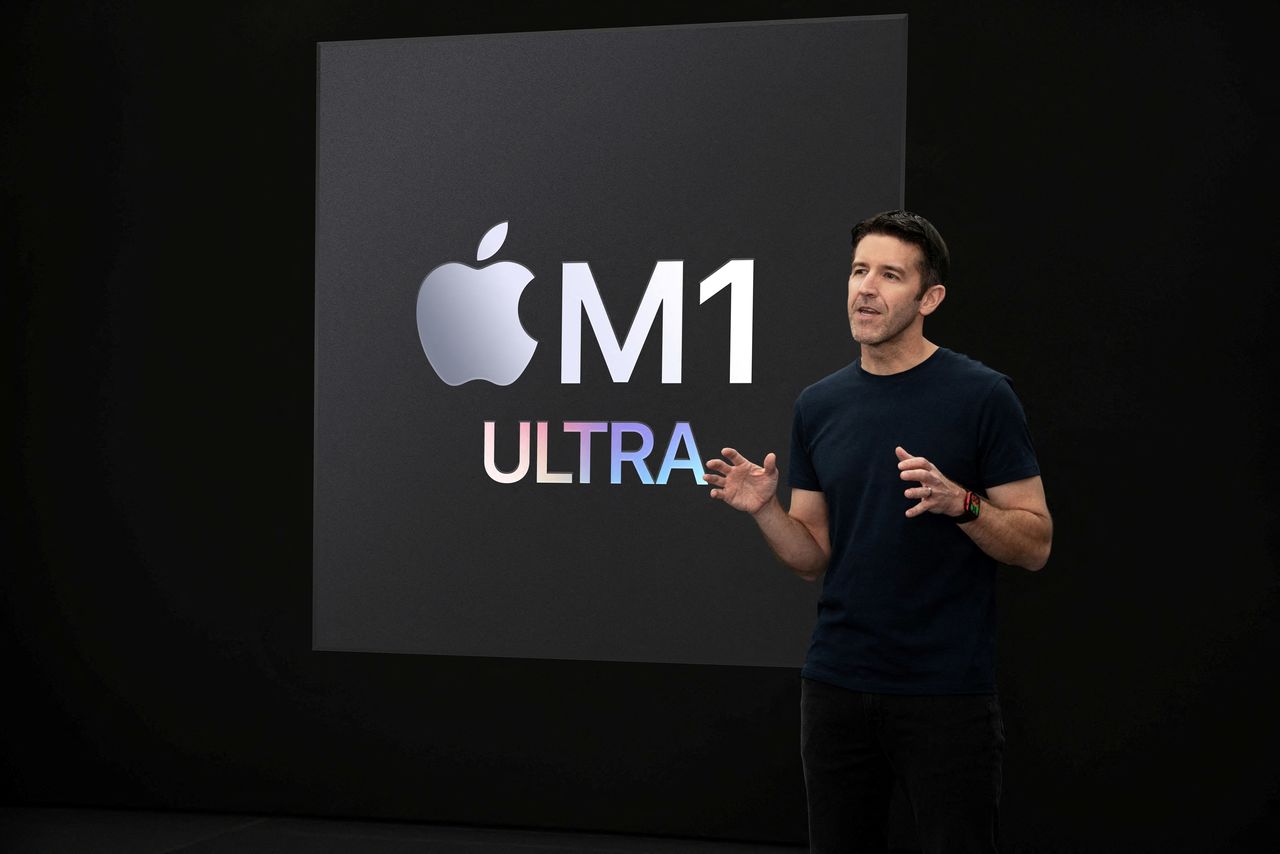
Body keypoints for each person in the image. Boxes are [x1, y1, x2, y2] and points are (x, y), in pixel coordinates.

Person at [704, 210, 1052, 854]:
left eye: (890, 275)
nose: (865, 287)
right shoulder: (820, 403)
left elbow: (1035, 544)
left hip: (945, 695)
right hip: (835, 686)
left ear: (930, 298)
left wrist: (962, 504)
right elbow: (811, 558)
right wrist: (765, 510)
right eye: (859, 269)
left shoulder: (982, 396)